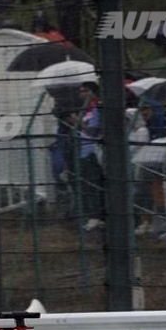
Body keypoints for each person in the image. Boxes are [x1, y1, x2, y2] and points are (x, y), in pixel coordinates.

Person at [67, 81, 104, 232]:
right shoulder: (86, 110)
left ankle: (96, 216)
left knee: (92, 184)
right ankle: (94, 215)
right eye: (81, 91)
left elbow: (94, 132)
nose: (82, 94)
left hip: (92, 151)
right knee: (86, 184)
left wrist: (78, 123)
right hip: (83, 150)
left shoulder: (97, 109)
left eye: (85, 91)